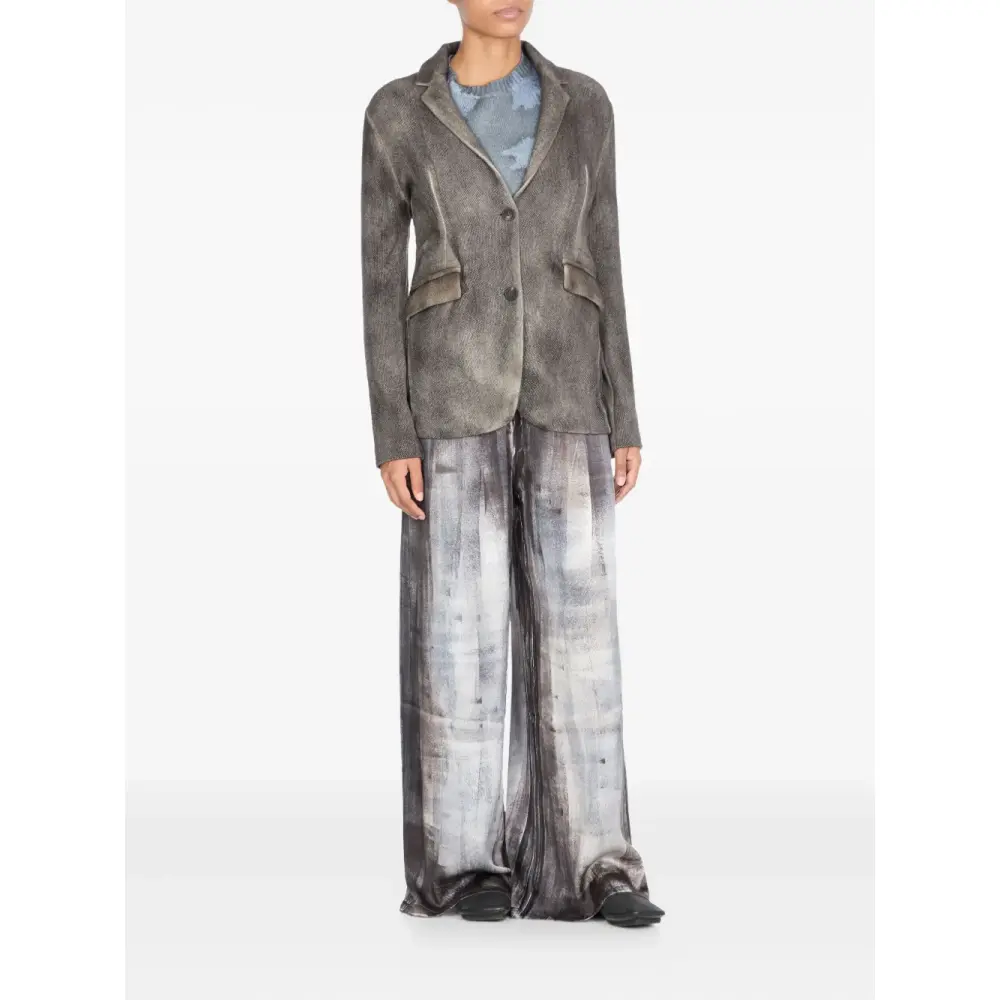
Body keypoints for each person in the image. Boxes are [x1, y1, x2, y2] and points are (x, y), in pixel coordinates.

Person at [360, 0, 663, 928]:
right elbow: (377, 279)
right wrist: (393, 432)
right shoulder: (398, 112)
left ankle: (598, 864)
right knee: (459, 635)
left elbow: (605, 256)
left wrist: (624, 409)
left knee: (582, 636)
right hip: (451, 390)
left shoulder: (585, 104)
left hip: (570, 383)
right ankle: (465, 867)